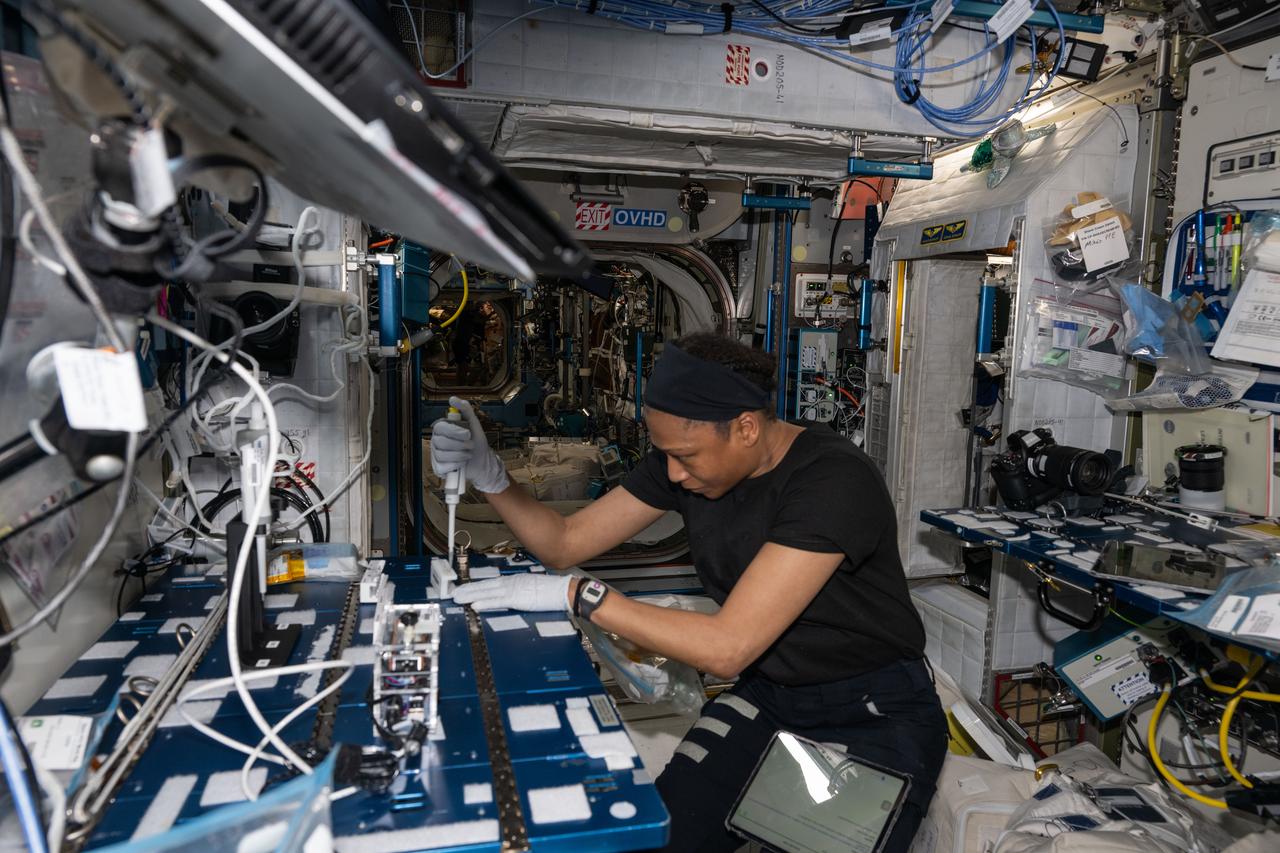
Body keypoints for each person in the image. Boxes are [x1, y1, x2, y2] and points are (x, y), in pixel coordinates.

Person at [430, 332, 947, 852]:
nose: (674, 473)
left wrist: (582, 597)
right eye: (665, 455)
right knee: (663, 837)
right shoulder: (682, 466)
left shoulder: (831, 480)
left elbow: (728, 647)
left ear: (745, 427)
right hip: (771, 696)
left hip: (872, 713)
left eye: (685, 455)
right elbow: (565, 543)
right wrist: (492, 476)